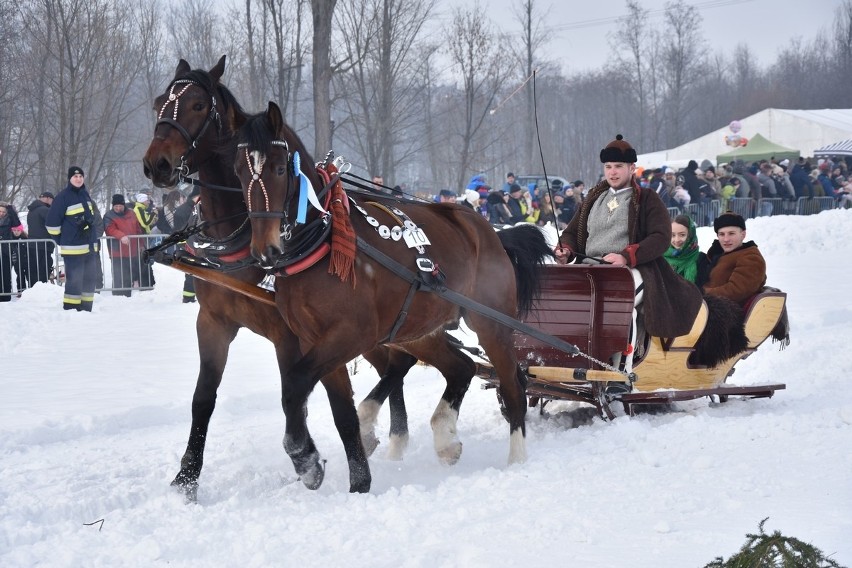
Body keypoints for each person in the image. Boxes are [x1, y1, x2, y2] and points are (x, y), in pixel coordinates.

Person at [554, 134, 703, 384]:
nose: (613, 172)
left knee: (619, 305)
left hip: (634, 270)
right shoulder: (593, 198)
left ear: (632, 168)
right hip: (590, 269)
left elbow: (661, 236)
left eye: (619, 167)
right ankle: (572, 360)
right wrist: (565, 249)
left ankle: (620, 372)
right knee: (567, 302)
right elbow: (572, 232)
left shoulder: (646, 198)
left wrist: (626, 255)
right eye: (608, 167)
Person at [45, 166, 101, 311]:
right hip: (73, 249)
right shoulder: (62, 197)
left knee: (89, 280)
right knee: (74, 281)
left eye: (81, 176)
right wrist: (62, 239)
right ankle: (71, 311)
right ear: (70, 179)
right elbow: (51, 224)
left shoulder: (85, 195)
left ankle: (86, 309)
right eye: (75, 177)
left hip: (89, 248)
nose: (78, 179)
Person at [703, 211, 766, 306]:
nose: (726, 239)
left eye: (731, 233)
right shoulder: (717, 253)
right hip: (706, 305)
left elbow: (735, 291)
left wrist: (700, 293)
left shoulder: (751, 257)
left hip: (724, 312)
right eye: (721, 234)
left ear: (743, 234)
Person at [104, 194, 146, 297]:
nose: (118, 208)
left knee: (129, 274)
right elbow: (110, 229)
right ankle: (118, 295)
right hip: (117, 251)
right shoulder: (109, 216)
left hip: (132, 250)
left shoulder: (131, 213)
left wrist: (141, 244)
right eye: (116, 206)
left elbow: (138, 229)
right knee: (118, 274)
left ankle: (127, 295)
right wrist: (121, 236)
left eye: (120, 206)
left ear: (124, 205)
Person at [664, 214, 709, 286]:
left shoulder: (701, 260)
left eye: (682, 235)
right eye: (673, 235)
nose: (677, 240)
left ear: (690, 235)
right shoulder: (661, 258)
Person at [25, 191, 56, 285]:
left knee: (33, 268)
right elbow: (53, 224)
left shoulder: (31, 210)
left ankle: (33, 288)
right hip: (43, 245)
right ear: (48, 199)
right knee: (43, 268)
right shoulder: (44, 210)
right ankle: (41, 288)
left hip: (32, 244)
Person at [130, 192, 157, 288]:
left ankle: (147, 281)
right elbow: (145, 223)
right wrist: (153, 213)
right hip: (141, 238)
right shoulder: (139, 209)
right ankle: (140, 281)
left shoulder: (142, 209)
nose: (148, 202)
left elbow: (147, 223)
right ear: (142, 201)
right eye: (147, 200)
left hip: (144, 237)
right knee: (143, 259)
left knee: (145, 259)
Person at [0, 203, 23, 301]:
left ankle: (5, 297)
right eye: (0, 211)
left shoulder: (9, 220)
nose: (1, 213)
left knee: (6, 274)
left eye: (4, 212)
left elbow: (17, 225)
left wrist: (11, 210)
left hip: (6, 250)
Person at [8, 224, 29, 295]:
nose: (16, 232)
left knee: (28, 275)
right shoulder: (11, 239)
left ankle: (31, 291)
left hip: (26, 260)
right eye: (14, 230)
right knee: (20, 276)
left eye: (18, 230)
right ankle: (21, 291)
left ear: (21, 231)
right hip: (17, 261)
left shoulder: (25, 238)